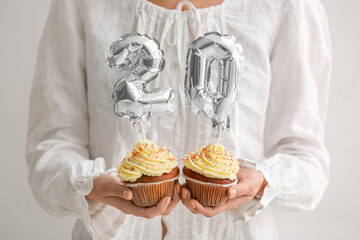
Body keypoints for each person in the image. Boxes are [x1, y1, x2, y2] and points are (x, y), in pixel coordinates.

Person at [26, 0, 332, 239]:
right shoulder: (82, 4)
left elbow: (305, 157)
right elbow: (52, 145)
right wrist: (91, 185)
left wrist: (263, 181)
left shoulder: (286, 7)